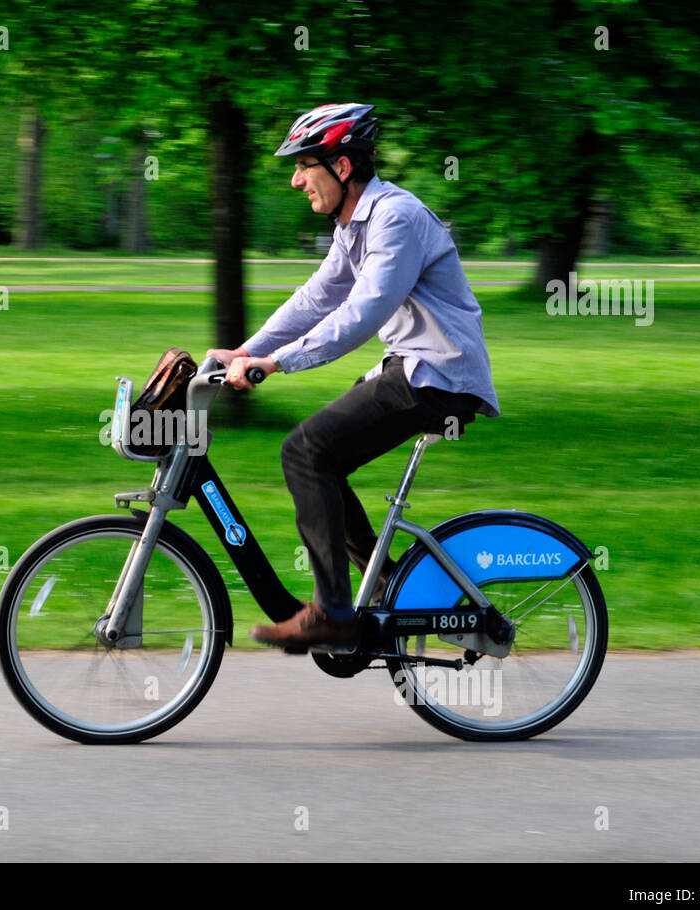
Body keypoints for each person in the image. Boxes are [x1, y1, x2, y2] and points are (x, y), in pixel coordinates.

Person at [205, 102, 500, 649]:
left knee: (303, 451)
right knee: (322, 462)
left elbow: (361, 313)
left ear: (342, 167)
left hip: (437, 377)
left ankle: (335, 613)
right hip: (411, 371)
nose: (296, 181)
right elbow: (317, 297)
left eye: (305, 166)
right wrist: (246, 350)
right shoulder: (354, 225)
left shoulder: (397, 217)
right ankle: (388, 588)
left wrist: (276, 363)